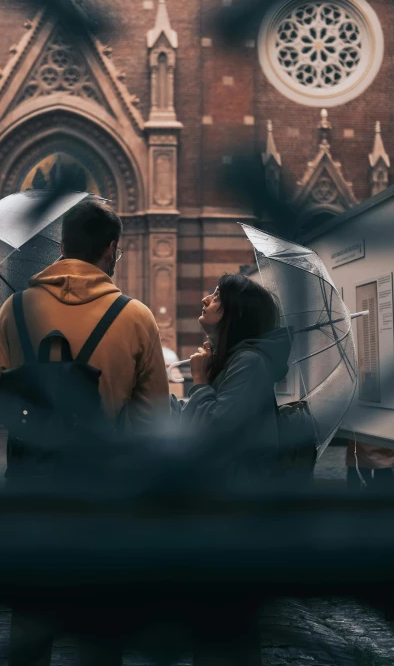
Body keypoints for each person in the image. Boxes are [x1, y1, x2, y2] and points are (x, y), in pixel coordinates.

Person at [0, 198, 169, 666]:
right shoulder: (136, 317)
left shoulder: (14, 309)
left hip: (32, 496)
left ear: (61, 246)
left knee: (29, 625)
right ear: (111, 251)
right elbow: (151, 425)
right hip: (104, 502)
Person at [180, 274, 291, 666]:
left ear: (235, 310)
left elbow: (215, 430)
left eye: (216, 294)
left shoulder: (248, 362)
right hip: (223, 512)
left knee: (226, 627)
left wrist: (197, 382)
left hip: (234, 516)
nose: (205, 297)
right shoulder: (235, 360)